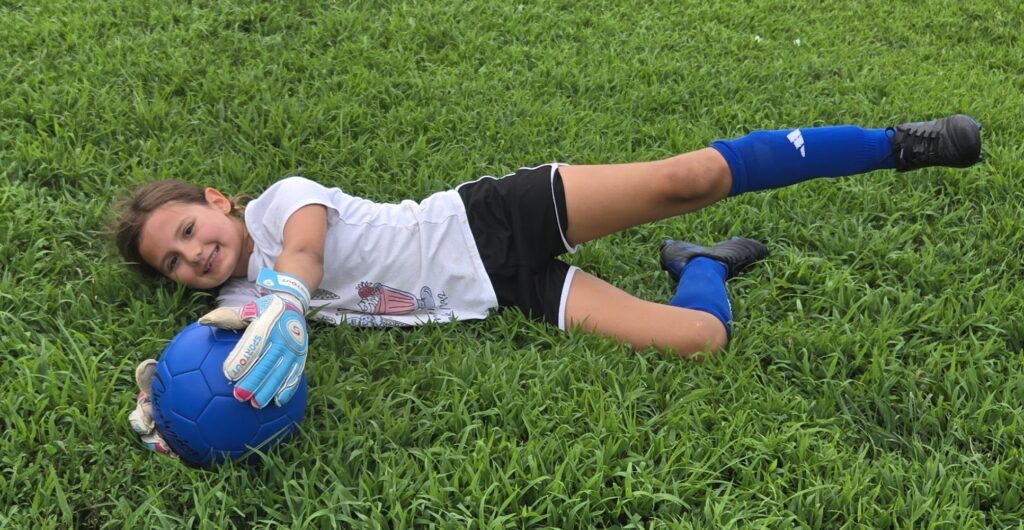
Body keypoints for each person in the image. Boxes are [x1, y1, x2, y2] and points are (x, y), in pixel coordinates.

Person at [116, 114, 983, 418]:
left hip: (495, 217)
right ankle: (702, 266)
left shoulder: (279, 206)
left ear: (219, 198)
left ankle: (895, 146)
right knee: (699, 340)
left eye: (189, 228)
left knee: (692, 178)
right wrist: (174, 400)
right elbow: (219, 346)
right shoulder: (237, 299)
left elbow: (301, 255)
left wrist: (286, 302)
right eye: (178, 264)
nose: (195, 255)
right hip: (504, 291)